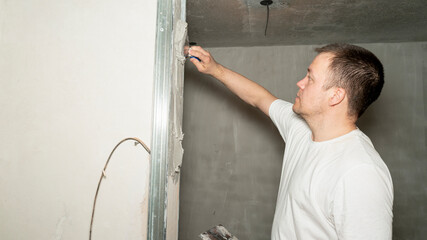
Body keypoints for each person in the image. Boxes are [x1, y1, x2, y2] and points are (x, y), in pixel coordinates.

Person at [188, 43, 394, 240]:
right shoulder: (301, 129)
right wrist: (215, 69)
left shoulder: (360, 172)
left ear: (335, 96)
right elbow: (259, 98)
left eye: (310, 78)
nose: (300, 83)